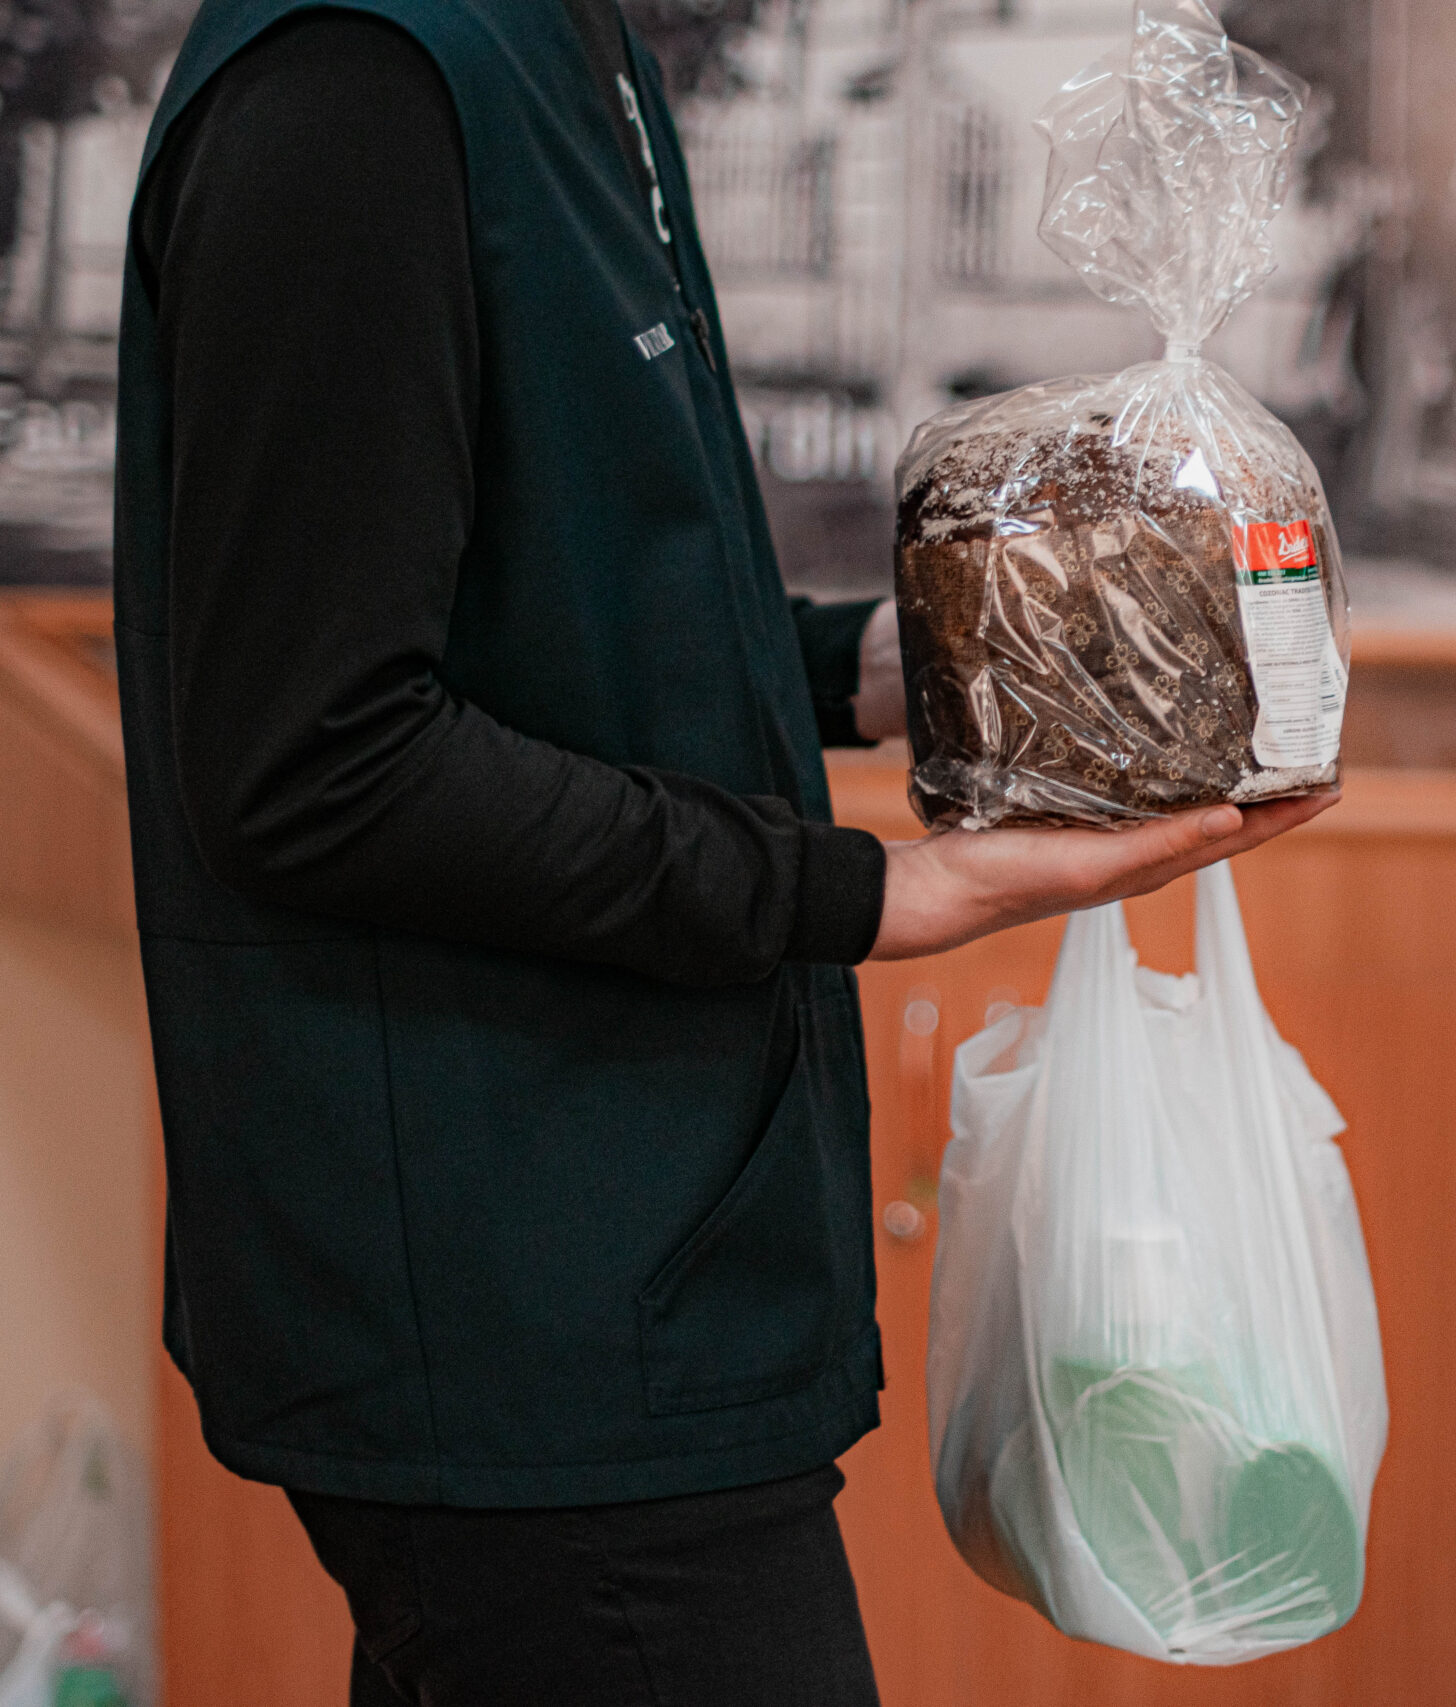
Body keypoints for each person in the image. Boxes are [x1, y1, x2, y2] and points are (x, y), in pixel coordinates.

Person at [114, 2, 1330, 1701]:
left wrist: (903, 668)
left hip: (639, 1270)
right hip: (521, 1316)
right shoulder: (355, 83)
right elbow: (323, 762)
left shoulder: (566, 45)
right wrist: (874, 892)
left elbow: (563, 616)